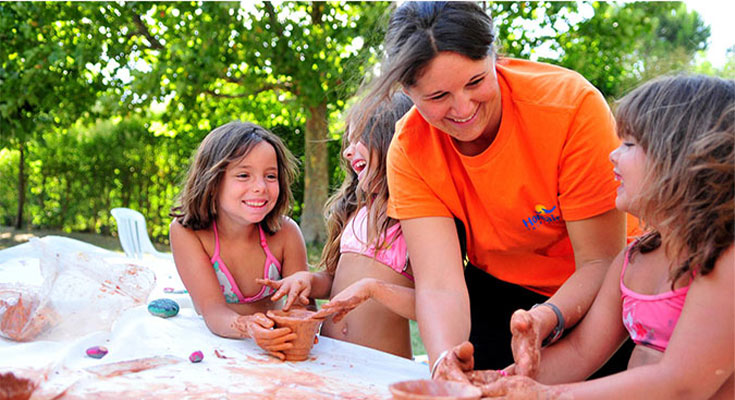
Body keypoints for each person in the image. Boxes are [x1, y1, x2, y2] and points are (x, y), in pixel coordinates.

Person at [351, 1, 637, 375]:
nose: (463, 108)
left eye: (476, 81)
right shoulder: (408, 148)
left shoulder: (571, 107)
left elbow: (600, 261)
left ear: (494, 57)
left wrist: (549, 317)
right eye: (438, 97)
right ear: (407, 91)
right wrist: (445, 362)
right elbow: (440, 285)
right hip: (498, 290)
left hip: (603, 289)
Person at [468, 75, 735, 398]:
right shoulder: (633, 259)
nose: (613, 154)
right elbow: (580, 352)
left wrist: (544, 396)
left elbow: (682, 385)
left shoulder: (723, 261)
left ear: (682, 161)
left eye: (630, 144)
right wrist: (495, 386)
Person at [259, 94, 418, 358]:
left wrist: (374, 289)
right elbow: (335, 281)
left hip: (383, 367)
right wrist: (310, 280)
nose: (347, 151)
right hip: (333, 359)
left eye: (359, 139)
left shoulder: (415, 219)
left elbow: (433, 304)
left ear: (393, 139)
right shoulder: (356, 211)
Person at [169, 121, 308, 361]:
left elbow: (300, 307)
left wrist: (292, 331)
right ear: (212, 181)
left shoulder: (286, 232)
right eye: (243, 175)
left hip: (274, 348)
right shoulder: (188, 233)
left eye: (270, 176)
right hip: (214, 347)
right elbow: (213, 310)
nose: (260, 187)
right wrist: (248, 327)